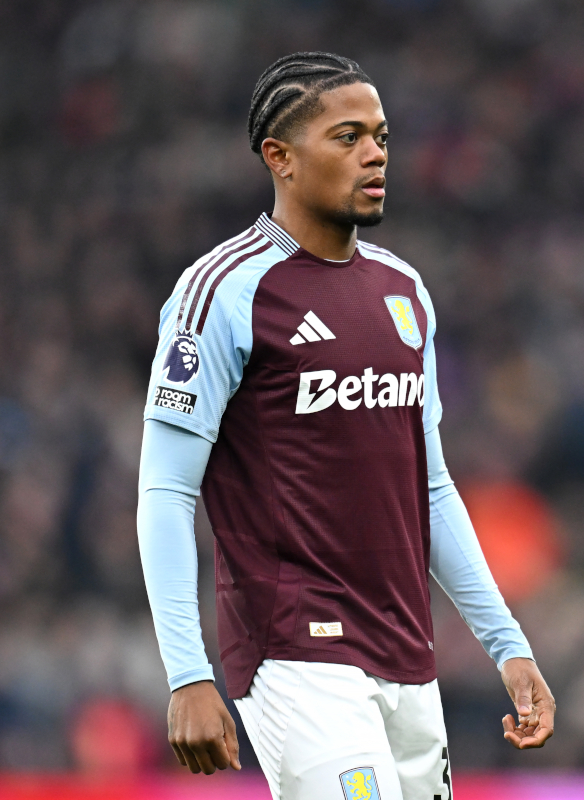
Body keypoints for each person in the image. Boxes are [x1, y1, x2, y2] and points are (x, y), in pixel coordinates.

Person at [136, 51, 554, 800]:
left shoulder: (405, 290)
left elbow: (429, 486)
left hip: (406, 654)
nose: (375, 154)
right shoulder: (222, 291)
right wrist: (187, 673)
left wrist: (508, 645)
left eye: (382, 138)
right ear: (280, 157)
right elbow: (166, 491)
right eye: (348, 136)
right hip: (295, 653)